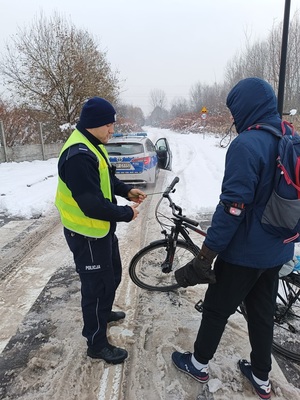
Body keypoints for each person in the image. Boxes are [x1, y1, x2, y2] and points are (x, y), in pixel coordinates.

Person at [172, 77, 295, 400]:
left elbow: (232, 209)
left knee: (216, 309)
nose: (233, 116)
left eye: (234, 109)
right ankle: (261, 375)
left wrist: (207, 254)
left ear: (246, 107)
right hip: (277, 250)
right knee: (261, 312)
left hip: (244, 253)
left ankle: (198, 363)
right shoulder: (287, 136)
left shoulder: (247, 145)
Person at [55, 97, 146, 364]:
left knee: (113, 275)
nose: (112, 130)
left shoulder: (93, 145)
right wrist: (126, 213)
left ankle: (103, 312)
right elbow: (91, 205)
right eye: (108, 124)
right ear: (94, 123)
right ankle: (96, 343)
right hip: (86, 233)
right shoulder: (78, 156)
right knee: (95, 288)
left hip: (100, 231)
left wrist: (126, 190)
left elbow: (106, 178)